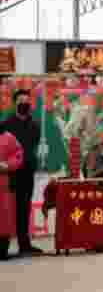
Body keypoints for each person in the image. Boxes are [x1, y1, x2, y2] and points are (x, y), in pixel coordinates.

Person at [0, 89, 42, 256]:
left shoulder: (35, 124)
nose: (24, 104)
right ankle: (4, 246)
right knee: (7, 209)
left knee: (24, 208)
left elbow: (34, 145)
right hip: (9, 174)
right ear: (15, 103)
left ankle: (24, 244)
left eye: (26, 101)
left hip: (27, 172)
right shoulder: (6, 124)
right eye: (20, 101)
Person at [0, 131, 24, 261]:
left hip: (3, 184)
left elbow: (18, 155)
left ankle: (2, 250)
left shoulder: (9, 138)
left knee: (4, 219)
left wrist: (7, 165)